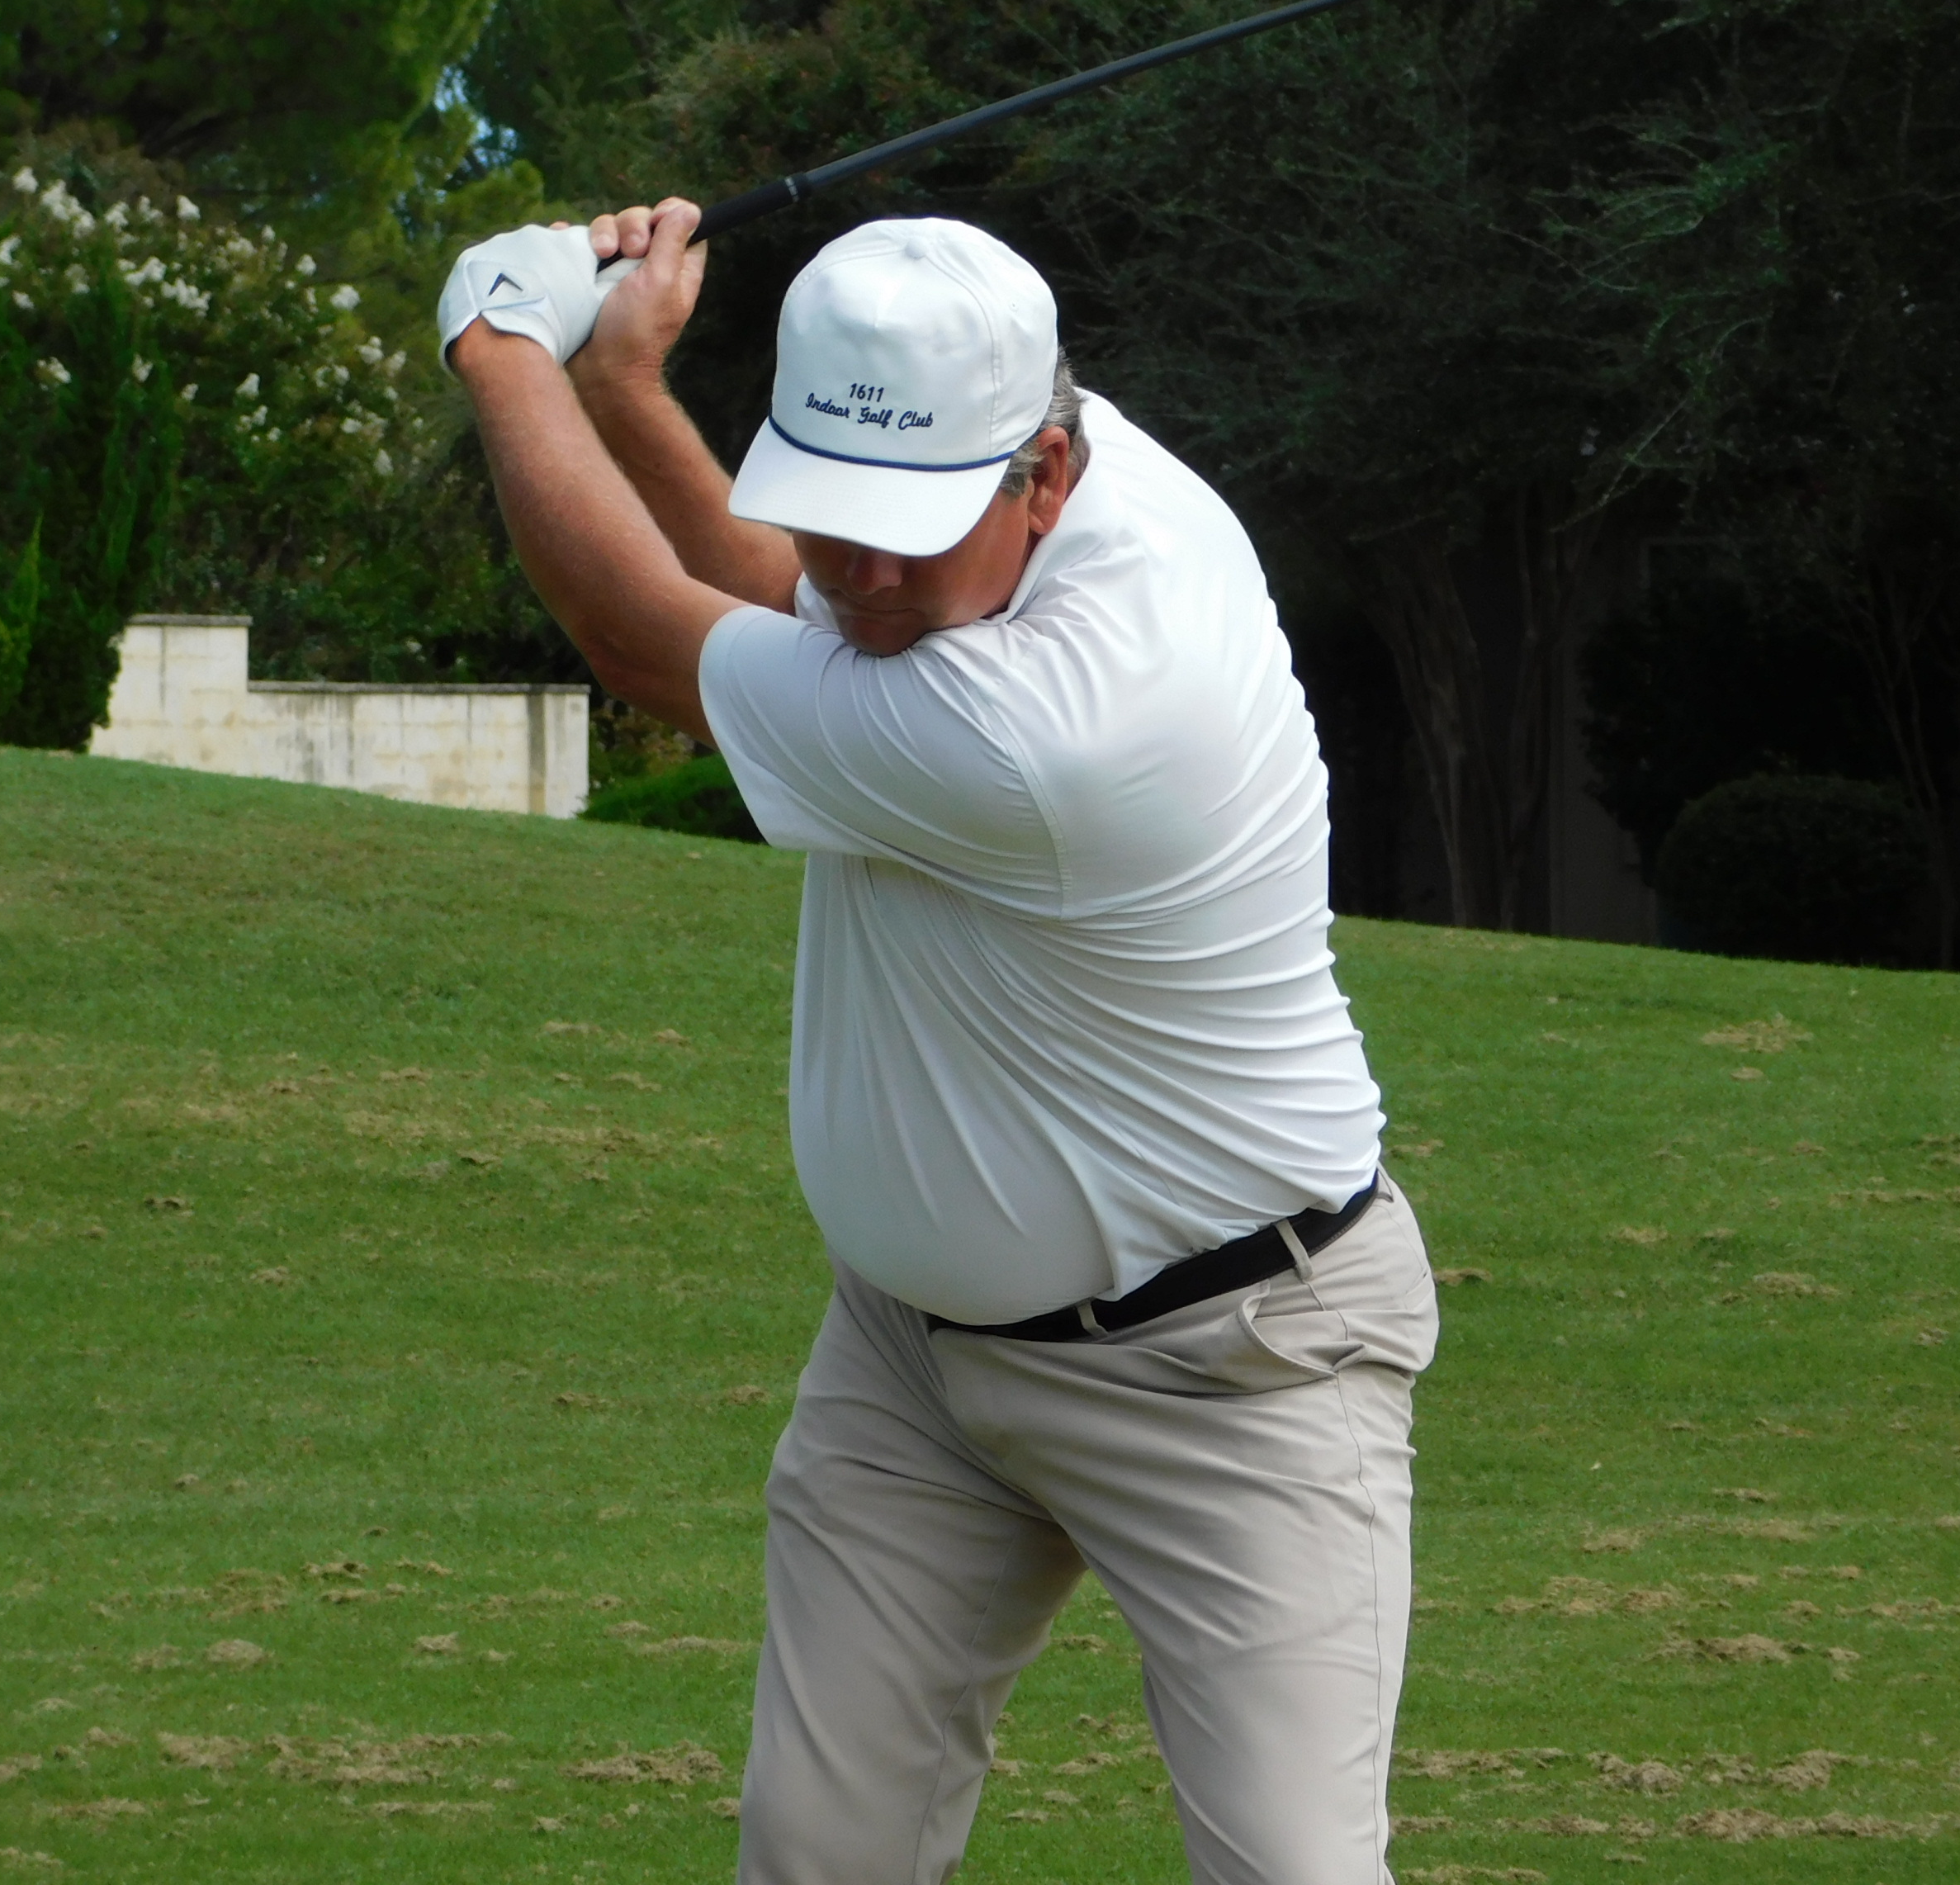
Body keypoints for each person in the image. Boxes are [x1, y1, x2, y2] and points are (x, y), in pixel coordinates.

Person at [441, 197, 1438, 1885]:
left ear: (1045, 473)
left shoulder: (1067, 725)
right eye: (838, 514)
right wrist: (622, 389)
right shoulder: (1029, 480)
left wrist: (495, 341)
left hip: (1234, 1364)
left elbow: (643, 633)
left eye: (909, 531)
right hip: (912, 1365)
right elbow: (799, 594)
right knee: (815, 1856)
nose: (865, 575)